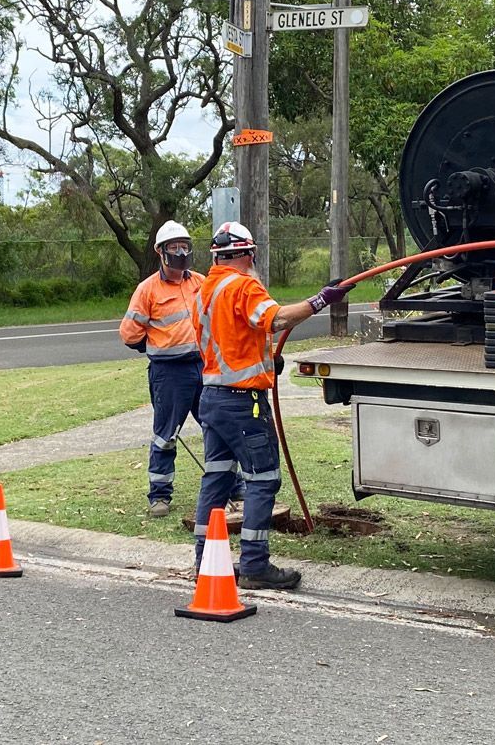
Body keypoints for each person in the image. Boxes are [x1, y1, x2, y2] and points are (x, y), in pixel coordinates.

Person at [191, 221, 348, 590]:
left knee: (216, 477)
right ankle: (255, 565)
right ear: (248, 253)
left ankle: (206, 561)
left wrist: (264, 363)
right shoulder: (244, 285)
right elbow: (274, 319)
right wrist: (319, 300)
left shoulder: (205, 288)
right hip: (243, 403)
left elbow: (232, 338)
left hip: (212, 398)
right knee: (263, 479)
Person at [118, 221, 242, 518]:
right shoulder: (147, 290)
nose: (180, 252)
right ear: (160, 252)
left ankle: (234, 484)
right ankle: (160, 495)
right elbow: (129, 334)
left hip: (204, 367)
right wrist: (154, 347)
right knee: (166, 434)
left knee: (218, 427)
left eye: (184, 246)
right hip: (169, 373)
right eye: (173, 247)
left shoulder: (200, 281)